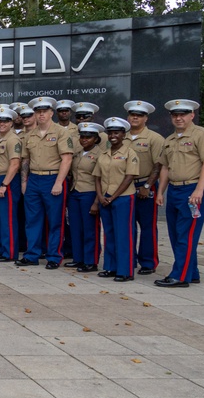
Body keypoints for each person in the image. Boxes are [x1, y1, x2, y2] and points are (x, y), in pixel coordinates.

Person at [155, 99, 204, 288]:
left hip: (192, 190)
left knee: (186, 233)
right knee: (175, 234)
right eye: (175, 115)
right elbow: (165, 167)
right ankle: (192, 272)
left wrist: (199, 190)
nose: (179, 118)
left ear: (192, 115)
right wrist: (160, 192)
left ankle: (180, 276)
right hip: (174, 189)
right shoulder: (170, 140)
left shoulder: (203, 135)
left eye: (183, 114)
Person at [17, 97, 73, 269]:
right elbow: (25, 159)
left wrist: (58, 183)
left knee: (55, 220)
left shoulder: (61, 132)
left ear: (51, 113)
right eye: (38, 112)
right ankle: (32, 254)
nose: (41, 115)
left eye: (44, 111)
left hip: (52, 178)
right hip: (34, 179)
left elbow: (67, 159)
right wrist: (24, 182)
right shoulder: (30, 135)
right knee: (32, 220)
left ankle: (54, 256)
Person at [94, 117, 140, 282]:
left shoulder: (129, 153)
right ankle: (110, 267)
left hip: (123, 198)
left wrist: (113, 197)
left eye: (117, 132)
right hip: (105, 198)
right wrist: (100, 196)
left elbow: (129, 177)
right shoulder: (104, 154)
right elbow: (97, 177)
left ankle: (125, 271)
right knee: (109, 234)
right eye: (110, 132)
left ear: (123, 134)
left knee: (124, 234)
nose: (113, 135)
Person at [124, 100, 165, 275]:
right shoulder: (120, 136)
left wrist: (148, 185)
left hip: (144, 186)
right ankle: (129, 259)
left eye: (139, 115)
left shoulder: (155, 139)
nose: (135, 117)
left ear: (146, 118)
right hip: (124, 187)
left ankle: (148, 262)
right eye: (132, 114)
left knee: (147, 226)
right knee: (127, 226)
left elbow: (159, 165)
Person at [65, 122, 104, 272]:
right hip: (75, 193)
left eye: (89, 137)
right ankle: (78, 258)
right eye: (82, 136)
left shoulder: (100, 154)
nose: (84, 139)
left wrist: (96, 201)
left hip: (90, 193)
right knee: (75, 227)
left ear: (96, 139)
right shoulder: (78, 152)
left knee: (90, 229)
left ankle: (91, 260)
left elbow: (100, 179)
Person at [0, 107, 23, 262]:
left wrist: (4, 184)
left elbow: (15, 164)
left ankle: (10, 252)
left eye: (5, 121)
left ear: (11, 123)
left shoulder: (13, 139)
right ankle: (2, 248)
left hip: (7, 181)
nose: (2, 124)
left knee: (7, 218)